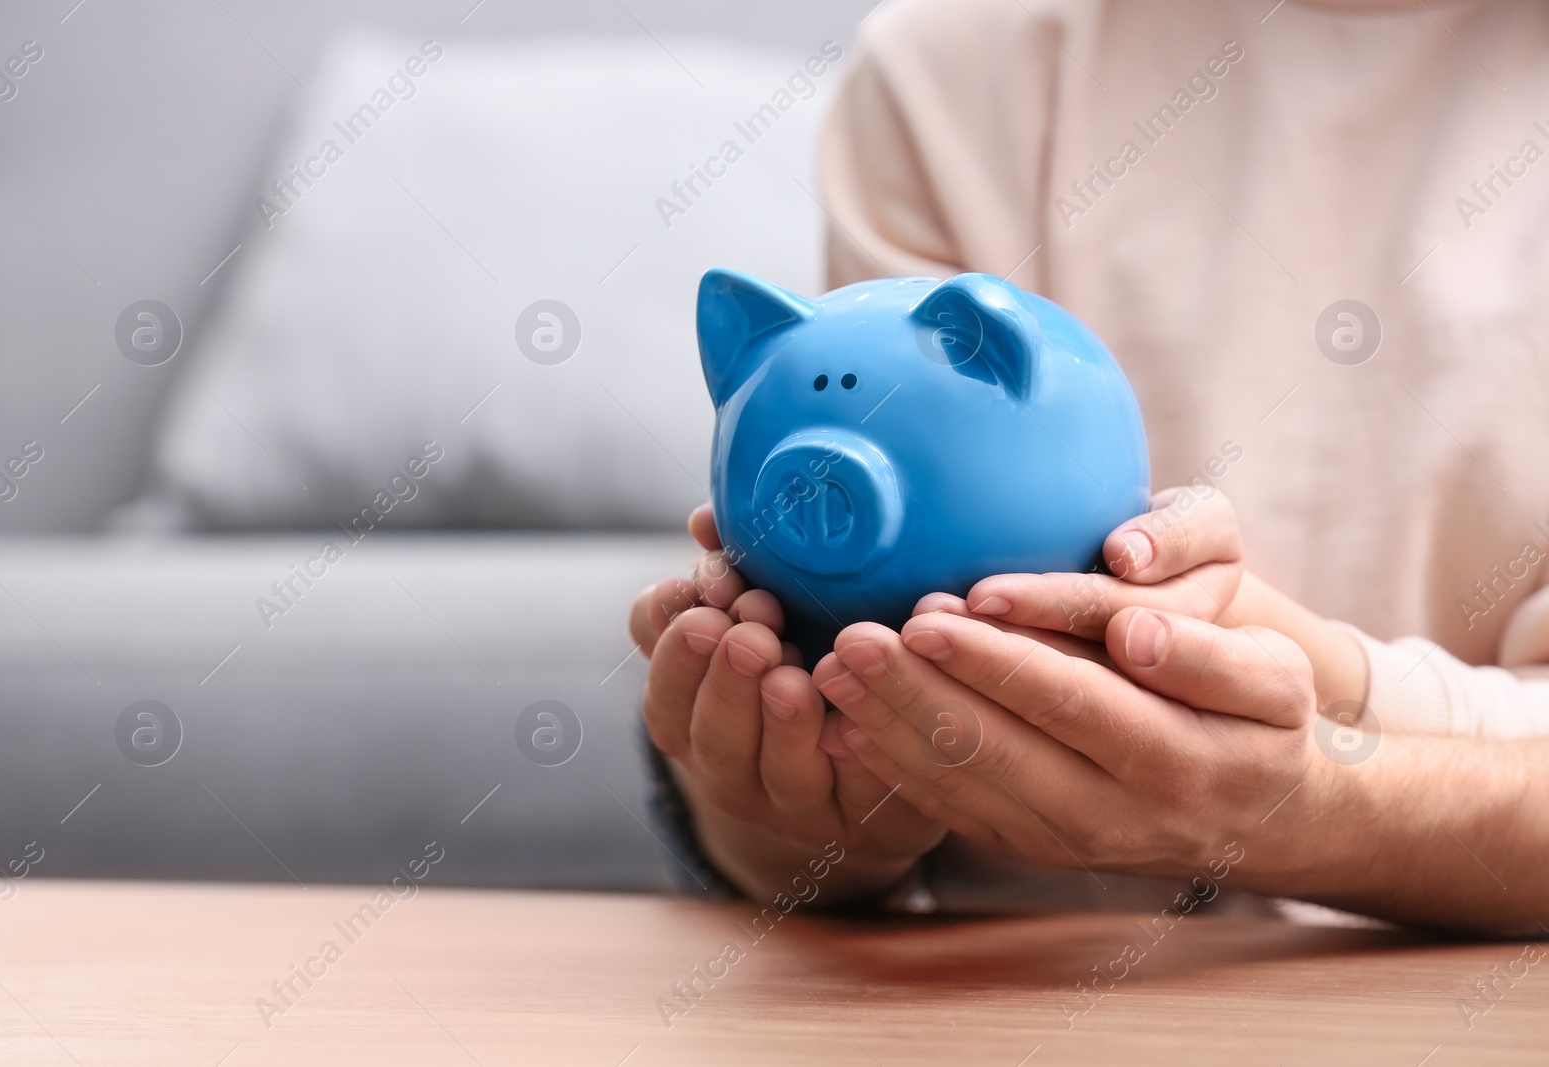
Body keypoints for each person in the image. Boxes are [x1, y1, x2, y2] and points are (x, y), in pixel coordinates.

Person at [630, 0, 1549, 935]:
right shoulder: (956, 61)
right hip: (987, 994)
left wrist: (1313, 790)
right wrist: (808, 817)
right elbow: (844, 744)